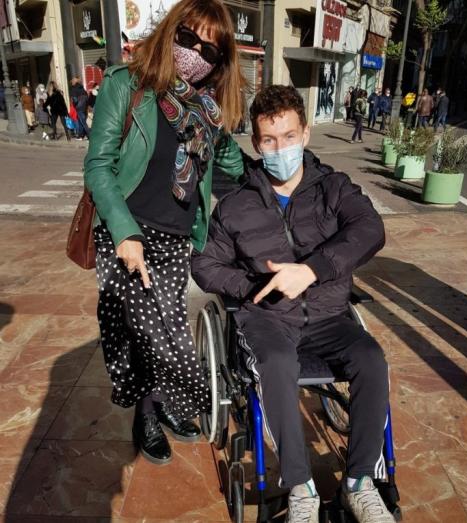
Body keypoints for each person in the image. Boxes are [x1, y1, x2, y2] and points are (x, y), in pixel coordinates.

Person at [191, 85, 392, 523]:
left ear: (305, 134)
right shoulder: (235, 205)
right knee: (277, 364)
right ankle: (300, 488)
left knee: (372, 359)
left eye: (288, 136)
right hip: (268, 319)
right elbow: (205, 265)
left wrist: (314, 269)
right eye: (268, 140)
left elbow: (370, 230)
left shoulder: (334, 188)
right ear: (256, 143)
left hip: (329, 313)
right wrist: (253, 287)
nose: (279, 149)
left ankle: (359, 482)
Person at [83, 0, 246, 465]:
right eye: (189, 38)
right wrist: (123, 232)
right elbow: (98, 166)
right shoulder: (127, 85)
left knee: (161, 328)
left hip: (176, 236)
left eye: (211, 51)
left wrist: (278, 167)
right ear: (171, 32)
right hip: (126, 232)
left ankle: (160, 407)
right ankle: (163, 409)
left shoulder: (208, 112)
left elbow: (234, 168)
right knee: (153, 334)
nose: (196, 53)